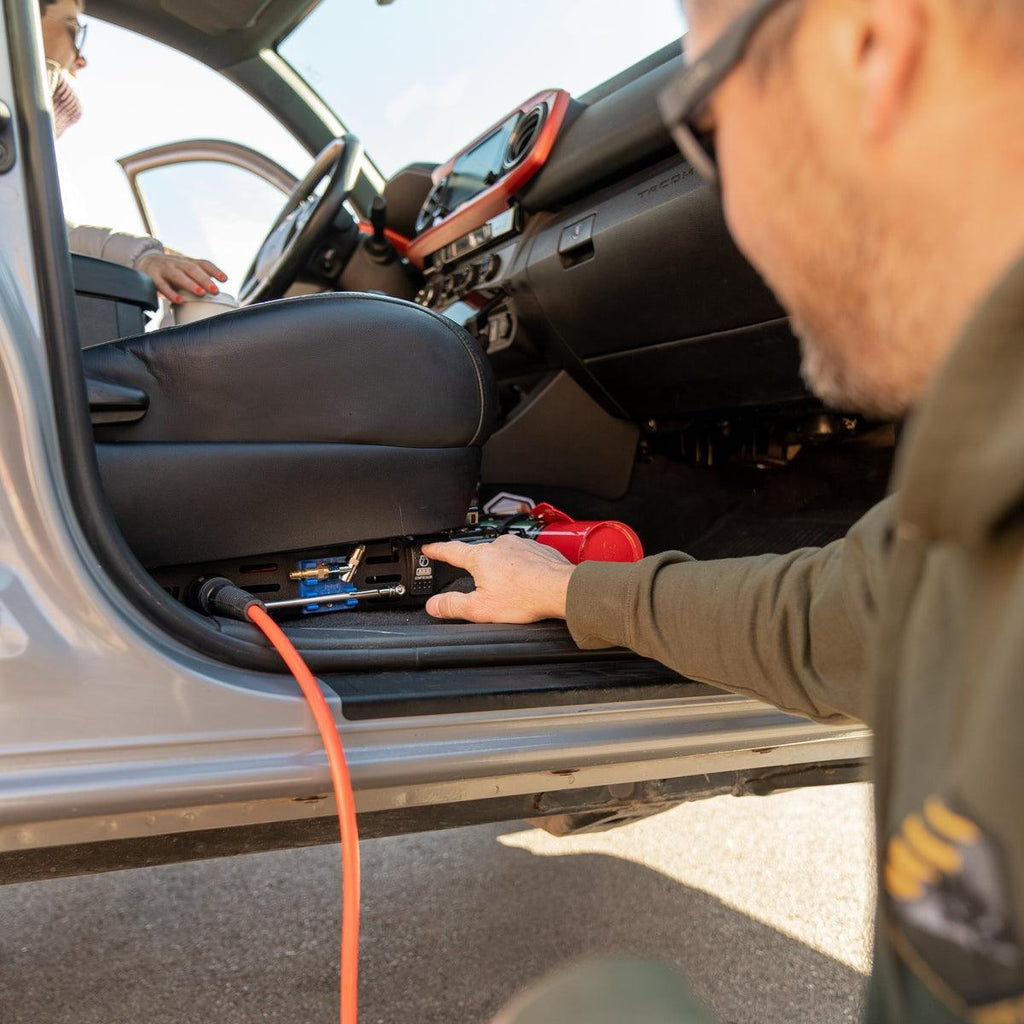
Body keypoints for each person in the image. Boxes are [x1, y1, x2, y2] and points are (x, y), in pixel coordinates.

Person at [425, 1, 1024, 1020]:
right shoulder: (966, 482)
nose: (731, 208)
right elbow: (831, 613)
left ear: (866, 48)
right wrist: (573, 588)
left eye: (706, 132)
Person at [40, 0, 227, 304]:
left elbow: (45, 234)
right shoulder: (15, 139)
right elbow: (37, 236)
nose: (81, 58)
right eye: (74, 30)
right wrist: (141, 258)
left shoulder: (28, 147)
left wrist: (142, 258)